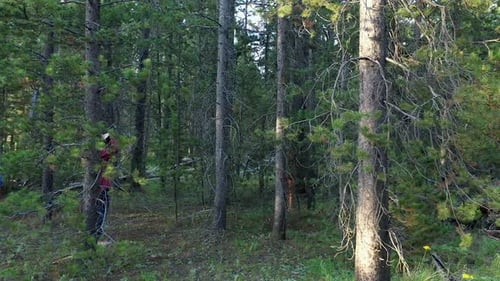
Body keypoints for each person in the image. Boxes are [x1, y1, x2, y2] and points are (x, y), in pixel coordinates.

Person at [94, 132, 120, 242]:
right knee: (100, 212)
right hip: (101, 186)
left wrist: (105, 136)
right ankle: (95, 237)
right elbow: (115, 147)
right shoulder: (100, 153)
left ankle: (96, 236)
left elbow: (115, 147)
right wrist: (106, 136)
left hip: (101, 186)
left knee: (100, 211)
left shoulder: (102, 151)